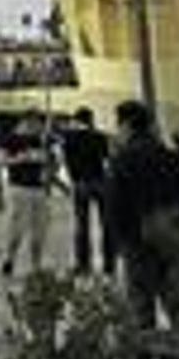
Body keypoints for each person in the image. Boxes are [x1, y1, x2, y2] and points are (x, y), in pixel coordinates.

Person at [107, 99, 179, 359]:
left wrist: (120, 243)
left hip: (138, 245)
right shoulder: (167, 154)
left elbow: (116, 206)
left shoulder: (124, 158)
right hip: (172, 242)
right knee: (178, 307)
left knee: (140, 311)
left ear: (126, 125)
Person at [60, 106, 114, 275]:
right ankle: (109, 264)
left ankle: (83, 264)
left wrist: (73, 180)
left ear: (77, 120)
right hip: (101, 182)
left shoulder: (69, 138)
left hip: (81, 184)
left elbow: (67, 162)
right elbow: (107, 160)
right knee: (107, 225)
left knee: (82, 226)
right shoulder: (100, 137)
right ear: (91, 120)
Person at [0, 113, 53, 277]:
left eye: (40, 125)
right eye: (37, 124)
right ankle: (10, 258)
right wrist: (21, 158)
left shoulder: (42, 140)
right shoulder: (11, 139)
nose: (39, 128)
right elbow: (2, 161)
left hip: (40, 190)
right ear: (27, 122)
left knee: (40, 230)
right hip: (19, 189)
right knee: (17, 229)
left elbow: (51, 162)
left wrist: (49, 164)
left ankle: (35, 265)